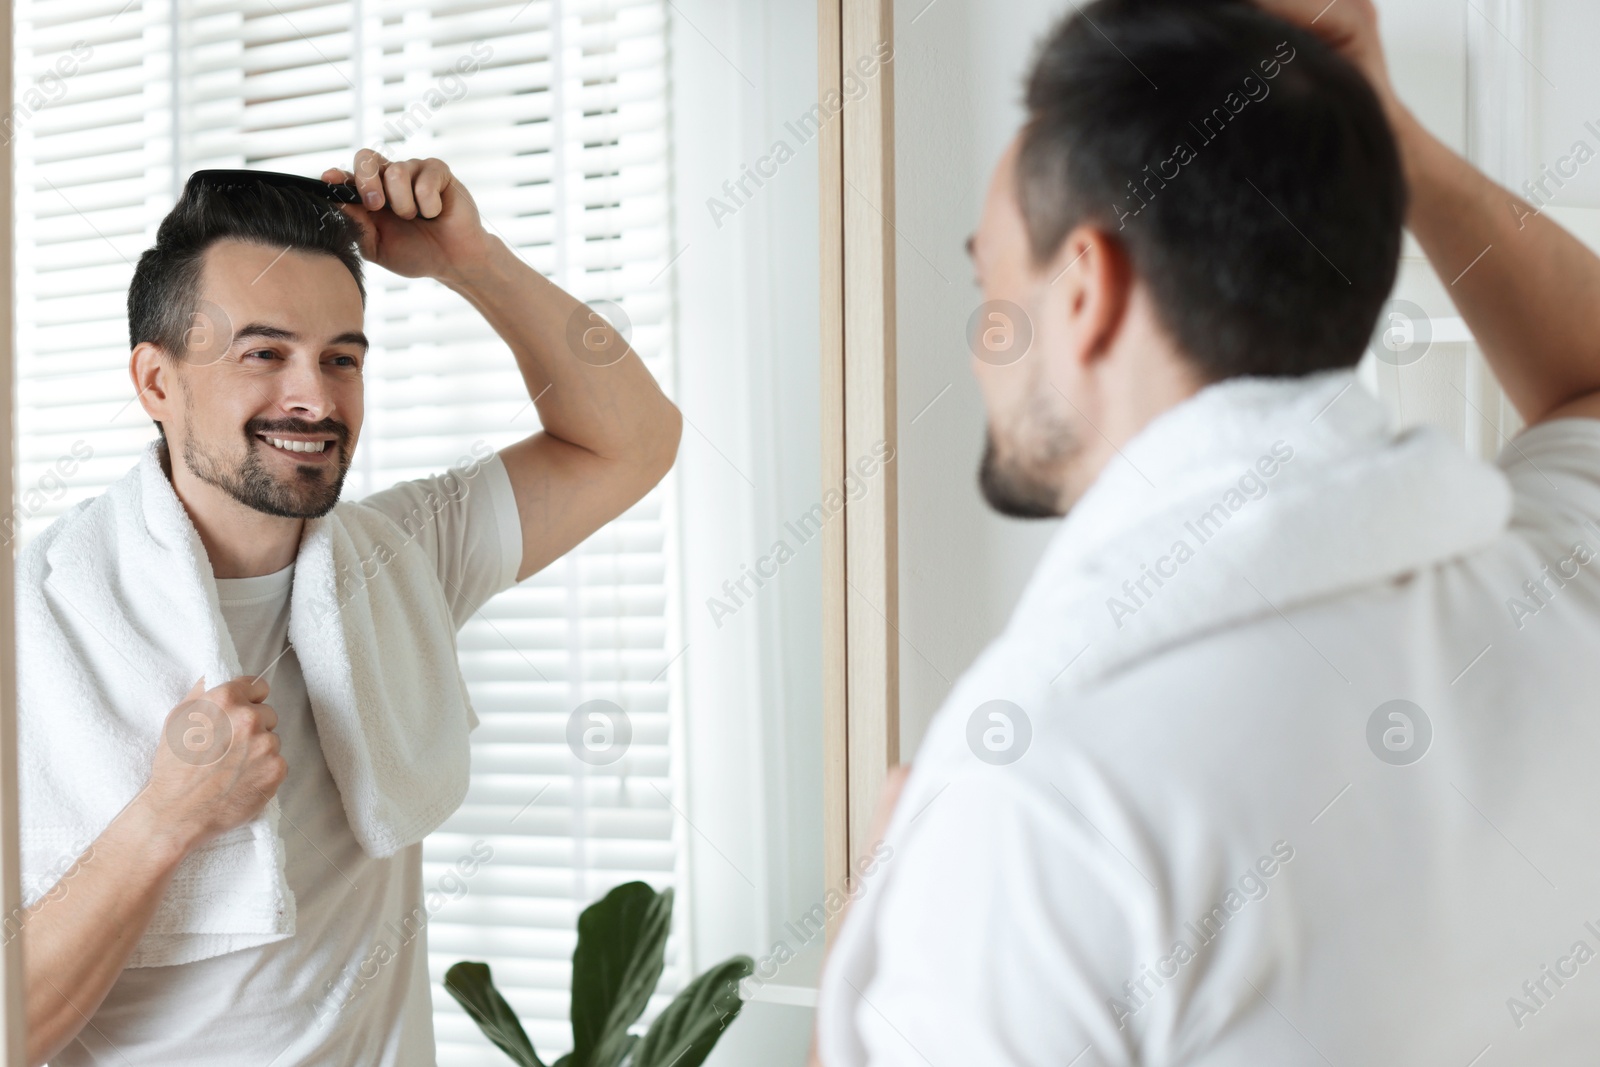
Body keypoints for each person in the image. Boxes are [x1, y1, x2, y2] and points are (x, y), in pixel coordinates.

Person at [815, 0, 1600, 1062]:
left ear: (1086, 289)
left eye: (987, 284)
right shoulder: (1556, 582)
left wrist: (871, 973)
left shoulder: (1039, 804)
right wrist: (1392, 142)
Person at [16, 153, 680, 1065]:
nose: (315, 398)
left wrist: (469, 261)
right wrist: (165, 817)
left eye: (341, 359)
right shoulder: (36, 628)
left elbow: (633, 440)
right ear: (157, 383)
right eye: (264, 353)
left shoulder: (401, 557)